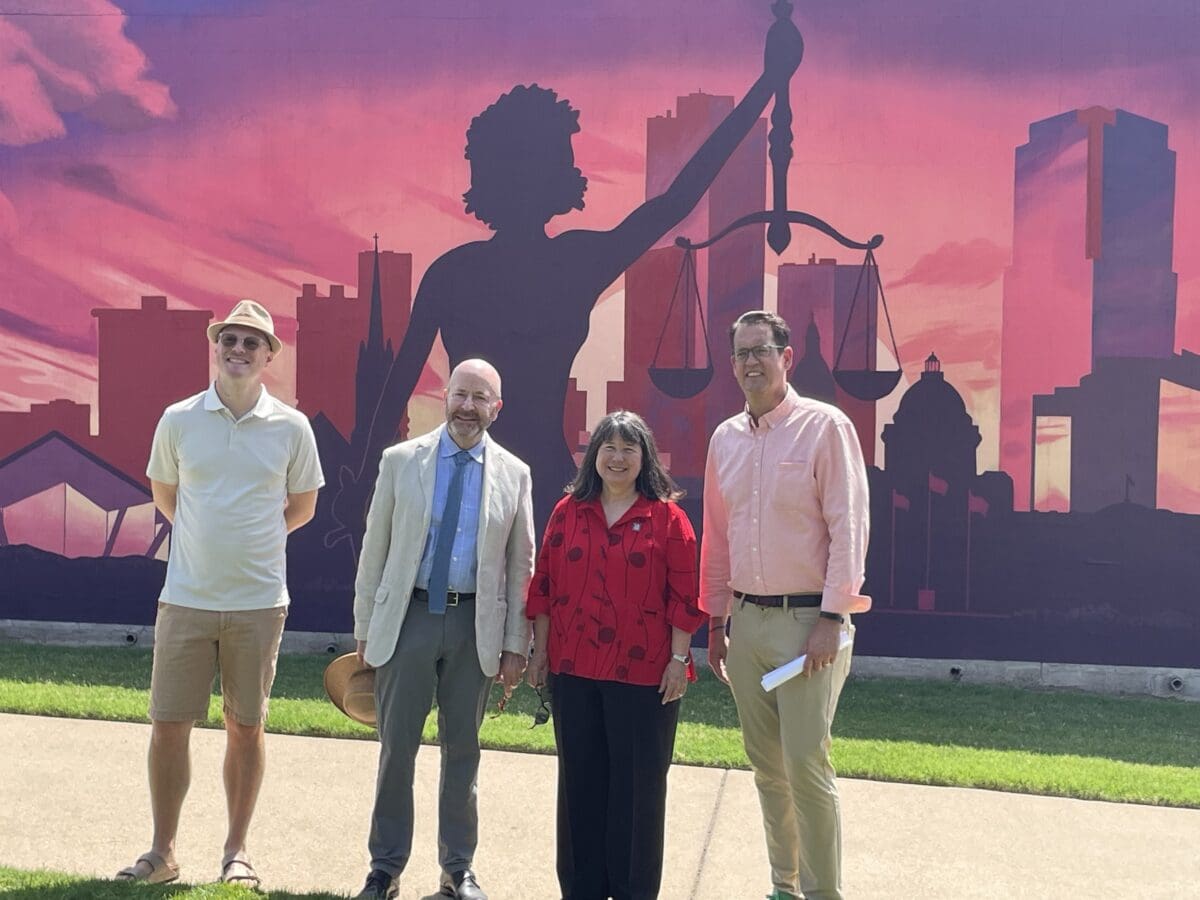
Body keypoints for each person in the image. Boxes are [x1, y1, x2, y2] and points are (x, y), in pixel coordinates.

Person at [330, 8, 805, 545]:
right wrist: (769, 82)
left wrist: (768, 84)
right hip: (504, 486)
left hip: (544, 494)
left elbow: (674, 202)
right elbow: (392, 395)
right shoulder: (546, 266)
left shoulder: (465, 271)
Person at [117, 299, 324, 888]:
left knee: (246, 726)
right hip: (185, 597)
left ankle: (236, 853)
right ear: (216, 347)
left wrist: (255, 537)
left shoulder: (292, 427)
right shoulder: (178, 419)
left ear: (268, 357)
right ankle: (162, 852)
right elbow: (166, 493)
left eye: (250, 343)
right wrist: (207, 537)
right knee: (169, 724)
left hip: (260, 602)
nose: (237, 350)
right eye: (228, 339)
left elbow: (303, 507)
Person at [701, 311, 870, 900]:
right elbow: (717, 536)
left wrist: (832, 616)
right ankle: (784, 886)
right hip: (744, 623)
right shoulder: (724, 438)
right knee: (768, 769)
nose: (751, 362)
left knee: (806, 767)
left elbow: (849, 526)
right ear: (732, 364)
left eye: (761, 351)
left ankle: (825, 894)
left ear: (786, 357)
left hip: (808, 626)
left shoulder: (825, 427)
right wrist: (716, 622)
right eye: (741, 353)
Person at [351, 358, 534, 900]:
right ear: (444, 395)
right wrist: (365, 622)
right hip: (407, 618)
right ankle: (384, 868)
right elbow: (374, 549)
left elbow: (521, 567)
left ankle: (458, 870)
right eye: (460, 394)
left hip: (474, 623)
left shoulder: (515, 474)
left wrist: (514, 644)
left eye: (481, 398)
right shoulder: (400, 461)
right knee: (396, 748)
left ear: (496, 409)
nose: (468, 406)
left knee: (464, 751)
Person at [526, 410, 704, 900]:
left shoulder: (669, 518)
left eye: (629, 448)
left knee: (637, 792)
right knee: (580, 785)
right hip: (573, 669)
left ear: (644, 456)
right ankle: (581, 889)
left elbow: (685, 597)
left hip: (645, 676)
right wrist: (540, 653)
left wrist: (677, 661)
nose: (618, 457)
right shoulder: (567, 511)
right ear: (593, 457)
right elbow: (544, 585)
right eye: (609, 447)